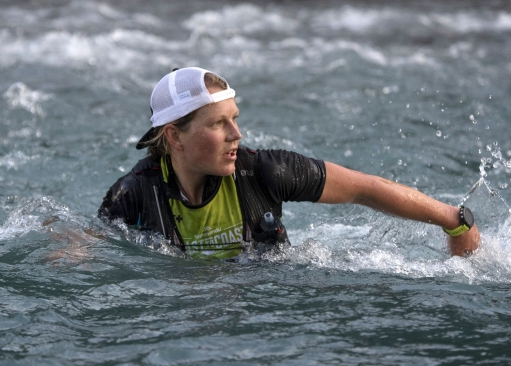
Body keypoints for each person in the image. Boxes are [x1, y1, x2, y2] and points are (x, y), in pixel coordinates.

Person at [98, 67, 480, 260]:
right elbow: (88, 241)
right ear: (174, 137)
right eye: (218, 123)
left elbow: (364, 188)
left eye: (235, 117)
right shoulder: (132, 195)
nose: (237, 134)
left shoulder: (265, 171)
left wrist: (454, 218)